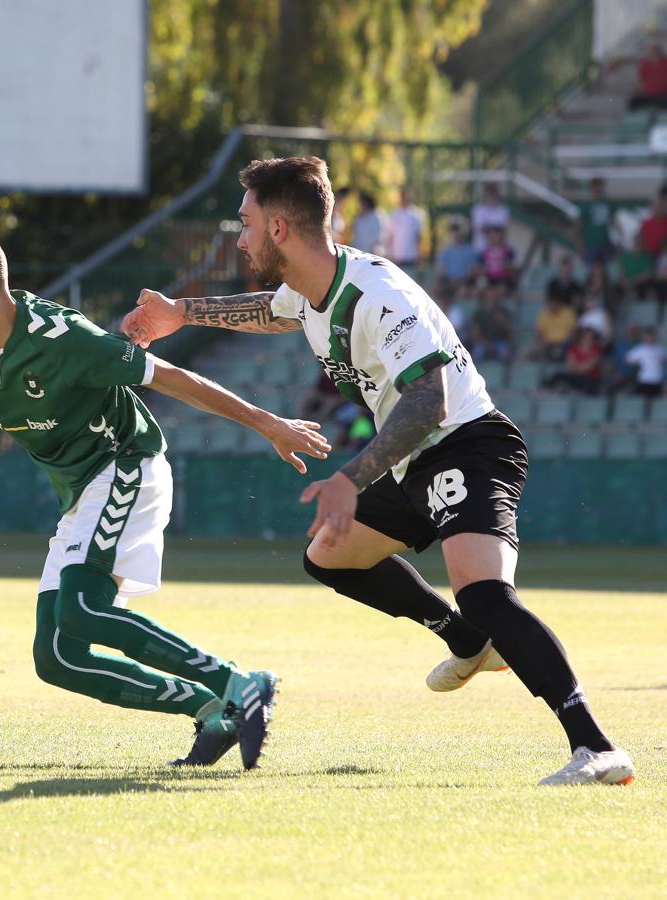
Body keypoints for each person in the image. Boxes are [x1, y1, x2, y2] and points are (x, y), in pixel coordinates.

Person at [123, 155, 634, 786]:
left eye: (247, 221)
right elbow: (270, 310)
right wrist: (181, 312)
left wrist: (350, 478)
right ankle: (465, 639)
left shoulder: (378, 294)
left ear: (280, 229)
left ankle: (597, 746)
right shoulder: (312, 290)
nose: (241, 234)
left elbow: (430, 402)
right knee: (328, 556)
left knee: (483, 590)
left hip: (467, 443)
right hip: (414, 457)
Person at [0, 222, 331, 769]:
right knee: (57, 656)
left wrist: (268, 423)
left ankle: (240, 684)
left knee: (82, 610)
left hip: (126, 464)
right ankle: (210, 710)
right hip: (81, 492)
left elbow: (170, 376)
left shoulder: (64, 339)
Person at [544, 328, 604, 395]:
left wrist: (577, 368)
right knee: (557, 376)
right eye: (586, 336)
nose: (588, 339)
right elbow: (570, 364)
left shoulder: (596, 350)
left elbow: (590, 365)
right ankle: (545, 392)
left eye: (591, 337)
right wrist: (578, 368)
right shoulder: (574, 348)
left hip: (590, 378)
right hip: (576, 376)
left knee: (590, 387)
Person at [573, 177, 618, 266]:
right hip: (590, 246)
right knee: (590, 273)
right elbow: (577, 228)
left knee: (607, 273)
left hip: (606, 245)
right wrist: (580, 246)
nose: (599, 191)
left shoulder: (609, 205)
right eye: (596, 189)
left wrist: (618, 243)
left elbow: (615, 225)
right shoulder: (586, 206)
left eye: (600, 189)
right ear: (592, 189)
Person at [526, 295, 578, 363]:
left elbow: (573, 331)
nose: (552, 305)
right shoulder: (544, 313)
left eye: (554, 303)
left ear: (559, 303)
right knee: (527, 353)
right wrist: (544, 341)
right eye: (550, 303)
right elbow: (539, 331)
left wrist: (564, 342)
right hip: (547, 343)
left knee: (559, 353)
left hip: (564, 343)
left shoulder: (568, 313)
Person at [387, 187, 425, 271]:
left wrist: (420, 255)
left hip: (411, 256)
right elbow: (391, 236)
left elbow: (418, 236)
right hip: (397, 256)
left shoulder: (416, 214)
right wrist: (390, 253)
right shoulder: (395, 214)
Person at [435, 221, 478, 292]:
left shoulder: (470, 250)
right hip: (448, 283)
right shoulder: (445, 250)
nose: (456, 234)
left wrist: (461, 281)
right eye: (453, 231)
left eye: (457, 231)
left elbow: (472, 271)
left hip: (465, 284)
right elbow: (441, 270)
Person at [625, 326, 665, 398]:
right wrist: (637, 367)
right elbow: (628, 360)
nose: (649, 338)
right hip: (644, 379)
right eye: (647, 336)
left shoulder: (660, 349)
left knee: (656, 402)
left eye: (651, 336)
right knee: (642, 401)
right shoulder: (640, 349)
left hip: (657, 379)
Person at [470, 183, 509, 251]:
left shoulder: (503, 210)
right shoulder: (478, 210)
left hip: (498, 251)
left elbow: (503, 229)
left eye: (492, 192)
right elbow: (478, 228)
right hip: (481, 249)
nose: (490, 196)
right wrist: (495, 232)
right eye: (488, 193)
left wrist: (489, 229)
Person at [628, 45, 667, 110]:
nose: (654, 56)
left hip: (663, 94)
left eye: (656, 53)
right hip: (648, 94)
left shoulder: (665, 63)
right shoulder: (645, 64)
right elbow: (641, 80)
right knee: (633, 102)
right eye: (652, 53)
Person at [350, 191, 386, 256]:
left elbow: (379, 235)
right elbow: (356, 234)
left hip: (373, 254)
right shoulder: (359, 218)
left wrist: (375, 248)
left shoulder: (377, 216)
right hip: (359, 253)